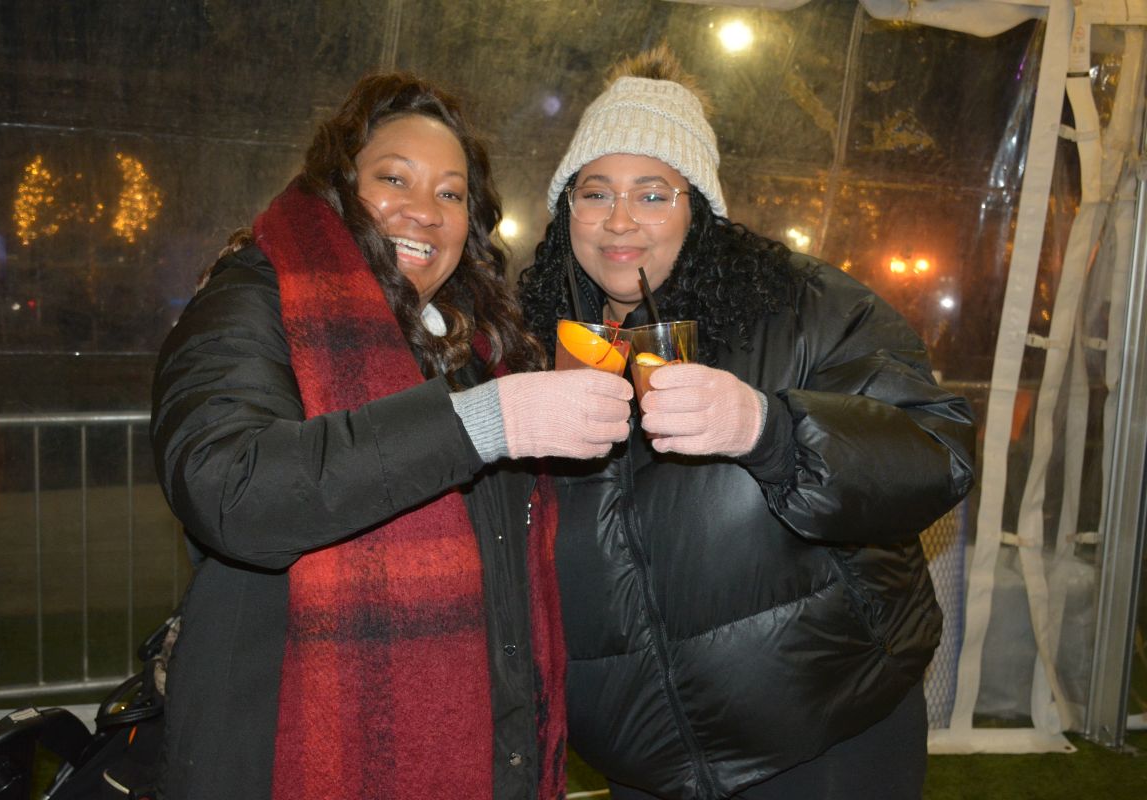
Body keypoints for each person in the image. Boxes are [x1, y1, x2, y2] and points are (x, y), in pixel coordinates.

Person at [150, 72, 635, 800]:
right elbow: (230, 490)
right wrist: (484, 422)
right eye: (394, 179)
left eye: (451, 193)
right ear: (339, 188)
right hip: (284, 752)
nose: (425, 211)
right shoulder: (255, 300)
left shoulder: (476, 344)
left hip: (481, 756)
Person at [518, 46, 976, 800]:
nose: (619, 220)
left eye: (653, 194)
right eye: (595, 193)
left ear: (699, 208)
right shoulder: (533, 339)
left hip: (826, 738)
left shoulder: (800, 305)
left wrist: (771, 430)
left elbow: (936, 450)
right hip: (646, 764)